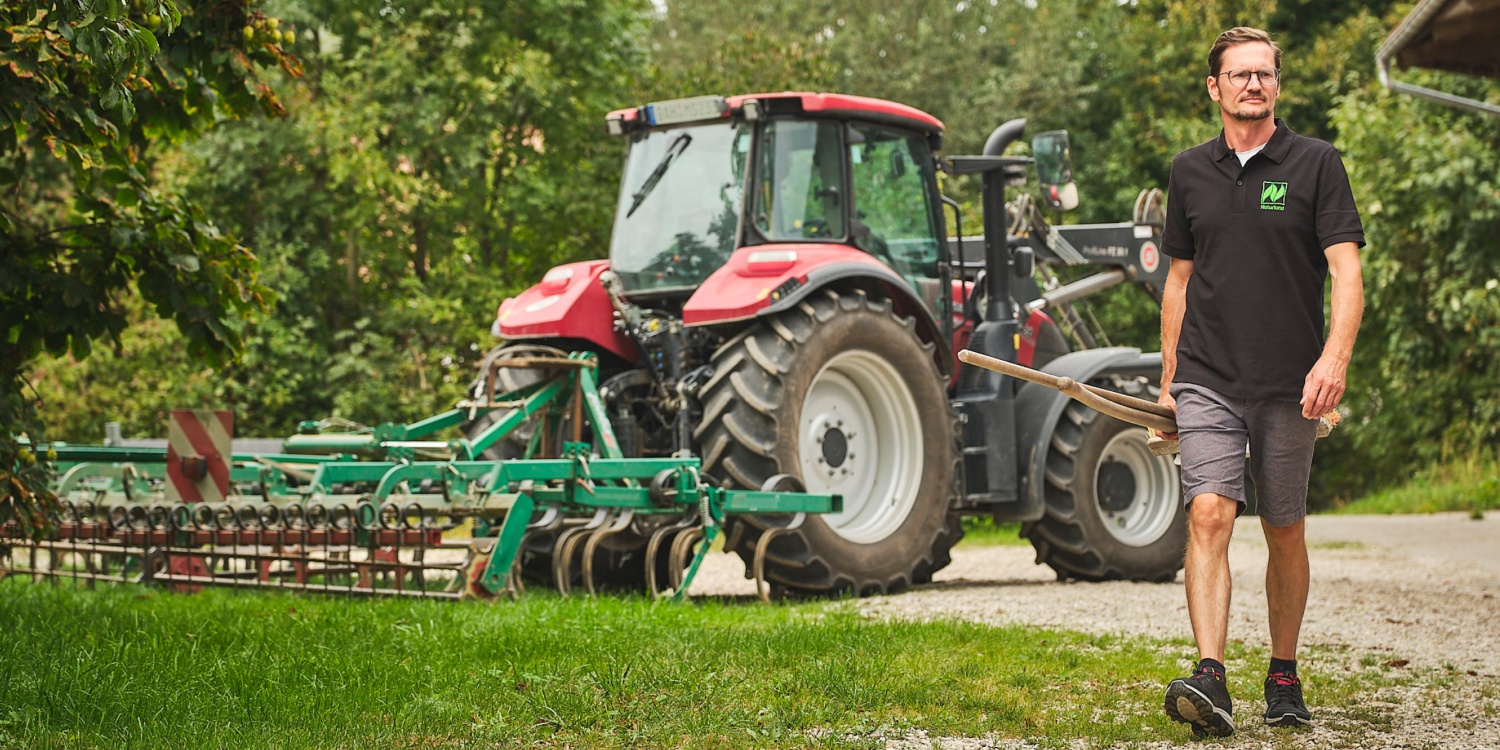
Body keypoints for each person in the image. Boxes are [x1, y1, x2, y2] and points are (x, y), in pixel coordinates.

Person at [1155, 26, 1365, 738]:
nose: (1253, 84)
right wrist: (1169, 381)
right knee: (1209, 513)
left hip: (1291, 382)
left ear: (1277, 83)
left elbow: (1345, 272)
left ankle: (1282, 671)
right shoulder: (1188, 172)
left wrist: (1333, 359)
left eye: (1264, 74)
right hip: (1209, 376)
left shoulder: (1316, 164)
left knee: (1283, 527)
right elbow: (1178, 282)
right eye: (1239, 75)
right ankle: (1210, 675)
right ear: (1214, 88)